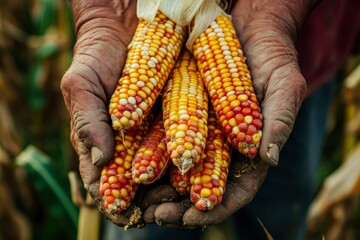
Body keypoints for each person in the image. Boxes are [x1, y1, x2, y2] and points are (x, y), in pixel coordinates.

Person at [60, 0, 360, 239]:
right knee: (150, 225)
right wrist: (101, 12)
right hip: (132, 22)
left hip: (298, 46)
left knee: (279, 212)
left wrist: (277, 13)